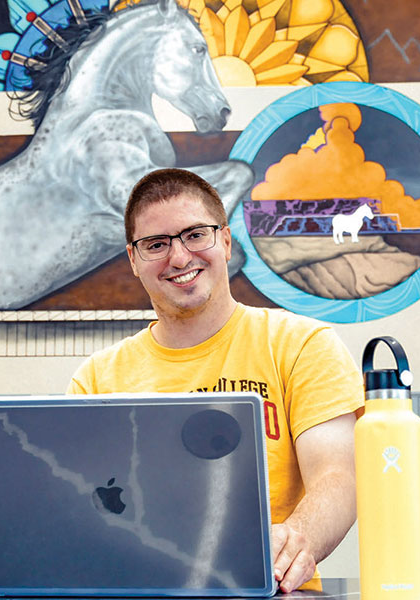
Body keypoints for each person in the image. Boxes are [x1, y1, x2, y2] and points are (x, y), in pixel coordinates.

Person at [67, 168, 364, 593]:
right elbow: (79, 510)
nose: (180, 258)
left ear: (225, 241)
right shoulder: (96, 379)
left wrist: (298, 539)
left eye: (194, 234)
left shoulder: (300, 344)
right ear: (134, 261)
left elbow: (340, 477)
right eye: (156, 244)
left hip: (269, 589)